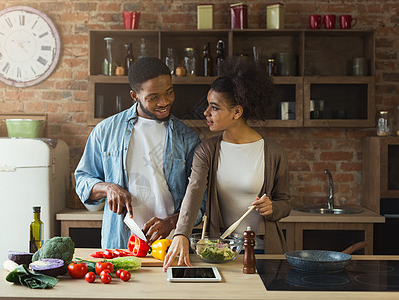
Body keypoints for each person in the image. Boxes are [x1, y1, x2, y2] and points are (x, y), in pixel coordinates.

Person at [163, 58, 292, 270]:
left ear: (237, 112)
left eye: (214, 108)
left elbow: (285, 203)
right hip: (220, 249)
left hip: (262, 249)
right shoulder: (207, 150)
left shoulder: (273, 152)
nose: (206, 112)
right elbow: (193, 192)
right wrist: (181, 234)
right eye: (207, 106)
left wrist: (273, 207)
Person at [75, 57, 202, 249]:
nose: (165, 102)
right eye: (153, 97)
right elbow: (82, 181)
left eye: (169, 92)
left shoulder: (188, 137)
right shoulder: (105, 131)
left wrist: (171, 222)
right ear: (134, 96)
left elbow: (201, 201)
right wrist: (107, 187)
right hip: (120, 244)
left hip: (170, 247)